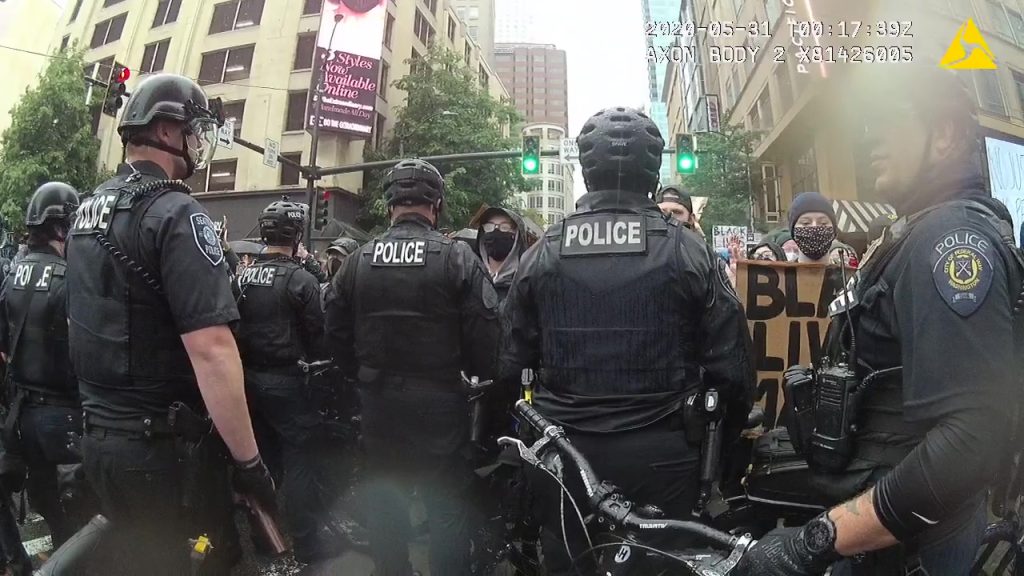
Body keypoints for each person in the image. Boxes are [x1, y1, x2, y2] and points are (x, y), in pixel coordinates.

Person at [735, 63, 1024, 576]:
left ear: (945, 135)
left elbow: (971, 437)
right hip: (885, 532)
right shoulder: (914, 232)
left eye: (889, 122)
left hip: (916, 543)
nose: (871, 140)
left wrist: (815, 542)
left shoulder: (950, 240)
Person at [500, 107, 755, 575]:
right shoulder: (688, 249)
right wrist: (720, 453)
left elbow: (510, 366)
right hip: (666, 459)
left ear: (586, 169)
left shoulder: (543, 252)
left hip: (566, 458)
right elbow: (733, 370)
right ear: (653, 170)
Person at [65, 73, 274, 575]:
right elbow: (213, 350)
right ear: (165, 131)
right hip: (160, 452)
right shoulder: (176, 210)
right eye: (192, 129)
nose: (197, 143)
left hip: (99, 438)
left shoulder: (87, 210)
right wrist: (250, 464)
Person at [324, 158, 499, 576]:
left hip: (379, 404)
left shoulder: (358, 260)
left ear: (389, 207)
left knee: (386, 500)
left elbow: (332, 329)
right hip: (441, 404)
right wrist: (467, 373)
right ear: (436, 205)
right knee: (446, 506)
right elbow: (488, 342)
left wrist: (359, 374)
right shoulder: (457, 257)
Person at [234, 199, 340, 563]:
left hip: (248, 381)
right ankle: (307, 543)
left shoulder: (241, 275)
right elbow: (321, 336)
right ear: (295, 234)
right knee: (299, 463)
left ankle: (264, 537)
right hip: (291, 383)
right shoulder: (301, 280)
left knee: (262, 461)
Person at [0, 183, 84, 550]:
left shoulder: (11, 278)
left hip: (23, 416)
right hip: (64, 417)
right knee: (78, 517)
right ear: (61, 228)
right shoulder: (70, 280)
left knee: (49, 506)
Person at [788, 192, 858, 266]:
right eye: (806, 223)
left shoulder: (847, 276)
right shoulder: (782, 276)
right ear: (793, 230)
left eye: (823, 223)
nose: (814, 227)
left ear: (834, 230)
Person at [474, 207, 528, 302]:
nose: (496, 231)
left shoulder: (526, 282)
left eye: (505, 227)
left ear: (516, 235)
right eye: (489, 226)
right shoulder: (470, 278)